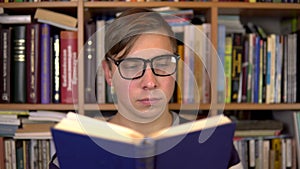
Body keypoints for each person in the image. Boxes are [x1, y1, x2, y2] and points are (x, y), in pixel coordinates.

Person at [49, 8, 241, 169]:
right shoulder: (73, 153)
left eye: (163, 63)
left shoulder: (216, 146)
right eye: (132, 66)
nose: (150, 82)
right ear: (109, 74)